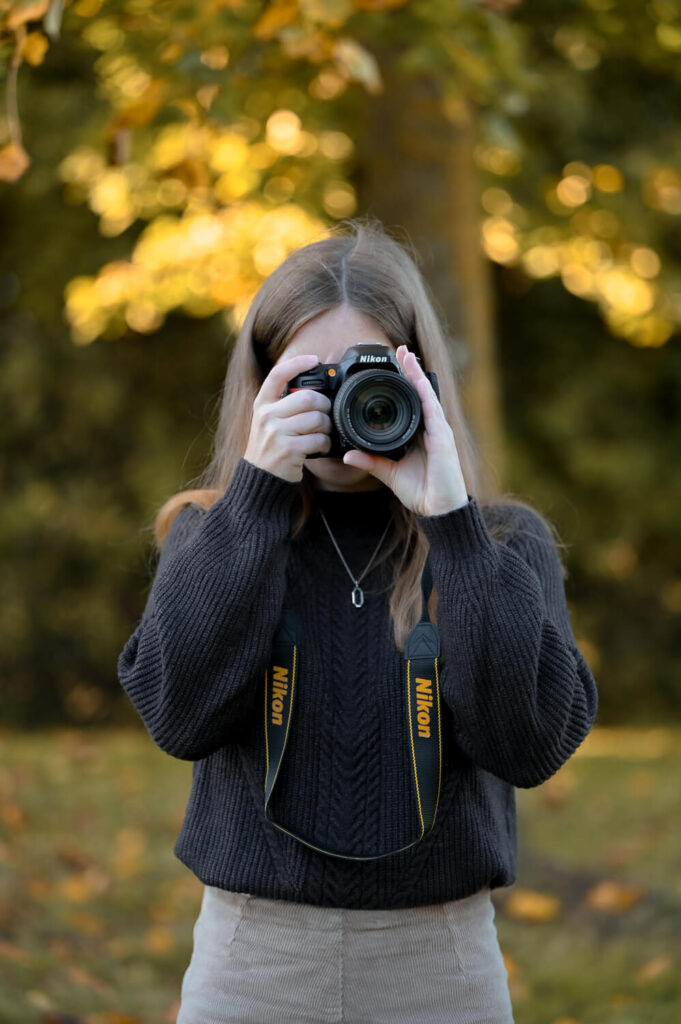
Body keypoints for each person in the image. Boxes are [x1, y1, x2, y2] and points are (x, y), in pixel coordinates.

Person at [117, 220, 598, 1024]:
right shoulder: (213, 535)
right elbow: (177, 716)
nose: (344, 404)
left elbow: (528, 746)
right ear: (263, 386)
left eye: (365, 376)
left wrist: (452, 526)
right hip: (253, 962)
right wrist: (255, 501)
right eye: (314, 379)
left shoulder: (500, 545)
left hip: (439, 967)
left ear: (421, 380)